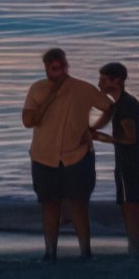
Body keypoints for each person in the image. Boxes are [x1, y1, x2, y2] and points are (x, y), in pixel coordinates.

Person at [20, 48, 107, 261]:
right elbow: (28, 121)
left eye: (61, 67)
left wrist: (93, 130)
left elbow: (109, 107)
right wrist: (52, 95)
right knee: (49, 204)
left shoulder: (82, 88)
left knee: (79, 204)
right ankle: (50, 252)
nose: (58, 71)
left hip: (77, 155)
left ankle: (85, 251)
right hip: (44, 156)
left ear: (66, 66)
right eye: (53, 68)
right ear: (47, 68)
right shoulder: (38, 89)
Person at [94, 61, 139, 253]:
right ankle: (134, 246)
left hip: (134, 163)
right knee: (127, 205)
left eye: (103, 80)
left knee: (133, 207)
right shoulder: (117, 105)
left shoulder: (127, 106)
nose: (99, 84)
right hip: (126, 163)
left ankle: (136, 248)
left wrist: (104, 139)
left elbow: (130, 138)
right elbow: (101, 121)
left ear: (117, 81)